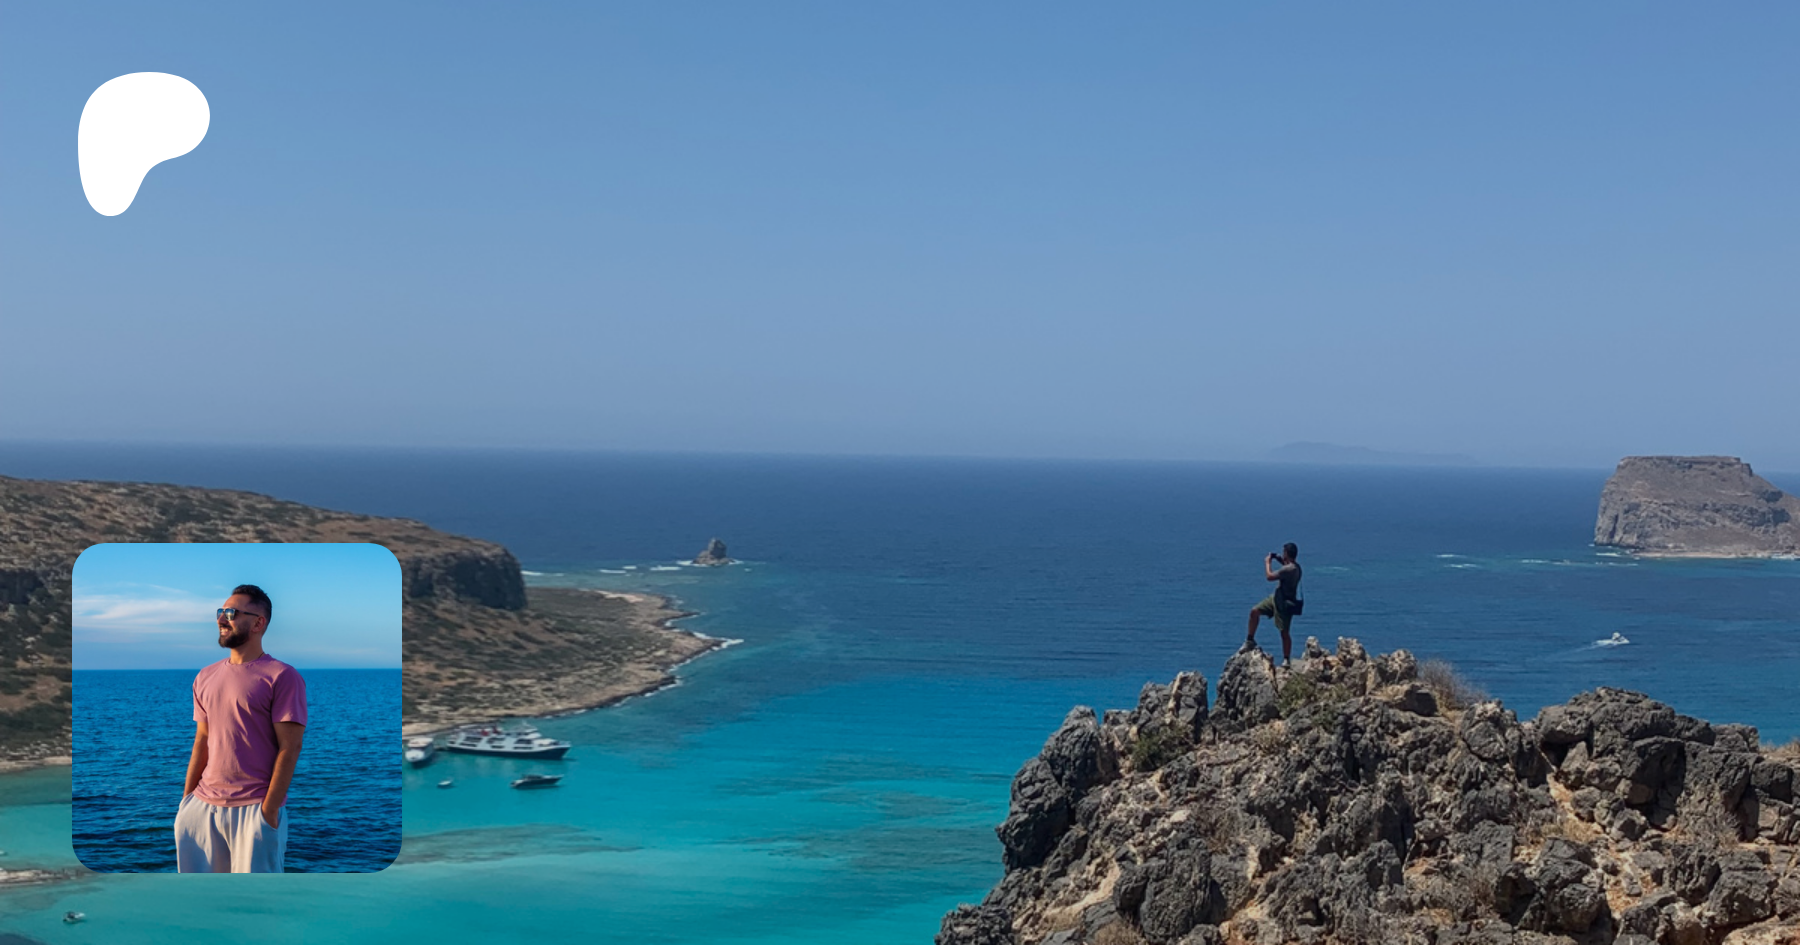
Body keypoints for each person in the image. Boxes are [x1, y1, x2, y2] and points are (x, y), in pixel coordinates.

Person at [175, 584, 307, 873]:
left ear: (258, 623)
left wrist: (268, 811)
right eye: (221, 612)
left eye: (232, 613)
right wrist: (186, 802)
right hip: (201, 808)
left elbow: (290, 746)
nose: (222, 619)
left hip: (254, 809)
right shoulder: (205, 676)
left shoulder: (282, 676)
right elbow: (202, 740)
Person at [1245, 542, 1303, 665]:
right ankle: (1250, 640)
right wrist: (1277, 558)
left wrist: (1267, 563)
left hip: (1284, 604)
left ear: (1286, 554)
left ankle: (1286, 659)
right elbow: (1286, 566)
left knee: (1284, 632)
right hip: (1276, 599)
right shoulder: (1296, 567)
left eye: (1284, 552)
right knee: (1255, 611)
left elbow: (1270, 576)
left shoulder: (1288, 569)